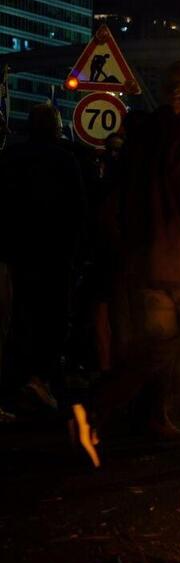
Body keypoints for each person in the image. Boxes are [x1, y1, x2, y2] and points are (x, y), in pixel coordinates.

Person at [71, 60, 180, 470]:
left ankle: (91, 409)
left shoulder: (140, 138)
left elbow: (118, 203)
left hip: (149, 269)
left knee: (151, 351)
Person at [0, 103, 86, 412]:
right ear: (55, 127)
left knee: (19, 315)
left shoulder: (9, 158)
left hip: (17, 251)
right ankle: (40, 377)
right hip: (54, 251)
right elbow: (77, 208)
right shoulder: (65, 160)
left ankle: (15, 379)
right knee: (53, 317)